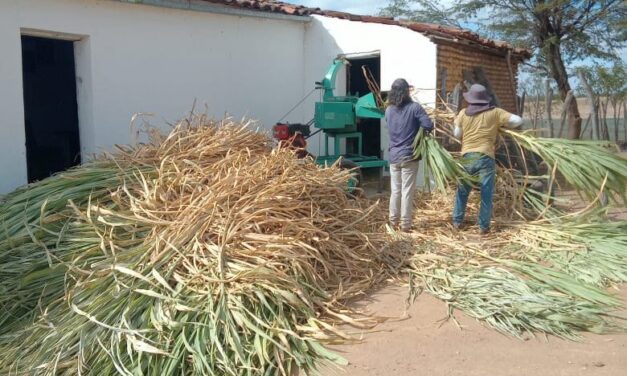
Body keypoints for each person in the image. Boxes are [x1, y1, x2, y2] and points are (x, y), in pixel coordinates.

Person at [452, 84, 523, 235]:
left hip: (467, 157)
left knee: (462, 191)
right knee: (486, 192)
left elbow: (457, 134)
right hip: (485, 156)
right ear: (485, 100)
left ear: (470, 99)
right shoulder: (495, 112)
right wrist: (502, 126)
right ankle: (483, 227)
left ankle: (457, 222)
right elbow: (518, 120)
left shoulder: (463, 113)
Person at [386, 78, 434, 232]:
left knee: (396, 190)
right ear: (407, 91)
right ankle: (405, 225)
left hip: (394, 157)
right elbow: (428, 125)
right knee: (407, 191)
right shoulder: (415, 108)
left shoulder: (388, 110)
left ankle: (393, 221)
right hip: (409, 156)